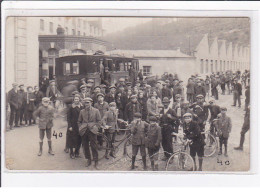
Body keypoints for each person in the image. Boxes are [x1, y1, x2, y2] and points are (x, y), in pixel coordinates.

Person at [78, 97, 102, 169]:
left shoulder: (96, 111)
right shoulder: (82, 111)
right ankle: (88, 159)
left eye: (88, 102)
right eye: (85, 103)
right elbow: (79, 121)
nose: (86, 104)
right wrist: (80, 127)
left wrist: (96, 128)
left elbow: (99, 121)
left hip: (92, 130)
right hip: (84, 130)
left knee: (94, 146)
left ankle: (96, 161)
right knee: (85, 146)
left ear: (91, 103)